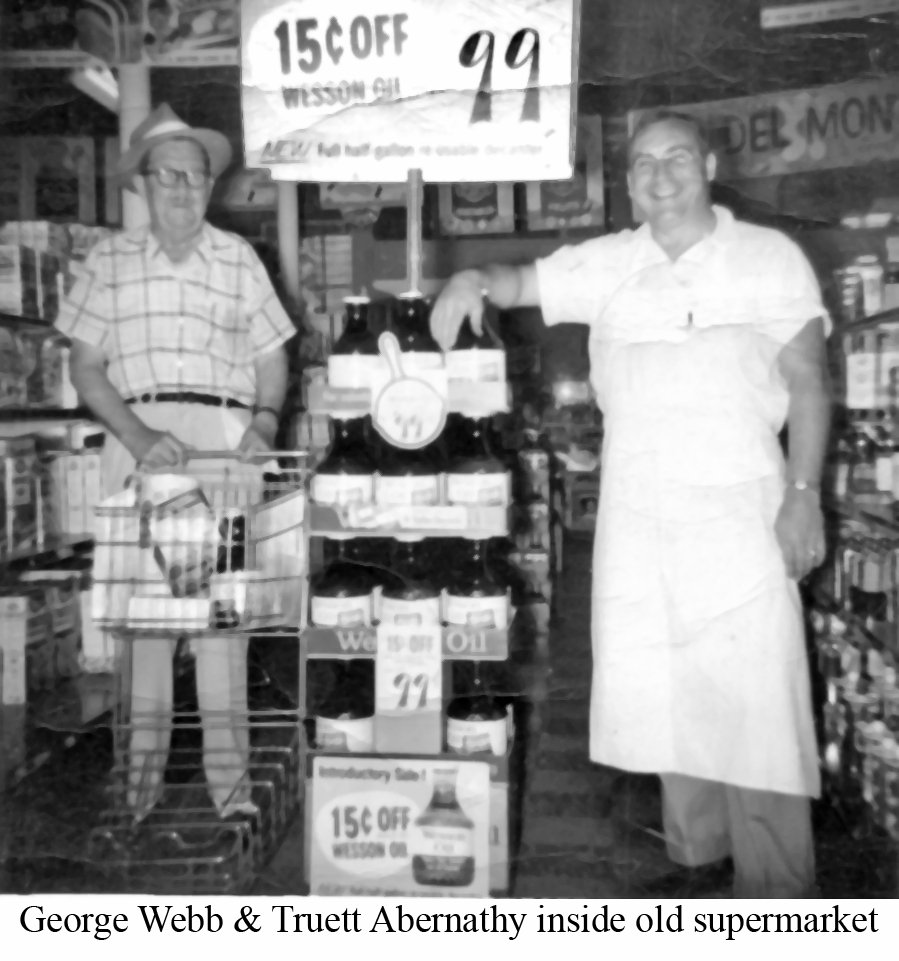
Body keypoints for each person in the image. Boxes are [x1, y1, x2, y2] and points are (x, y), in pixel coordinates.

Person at [430, 109, 832, 899]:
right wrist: (469, 279)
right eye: (643, 163)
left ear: (708, 166)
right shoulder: (610, 260)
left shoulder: (767, 257)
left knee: (758, 706)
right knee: (668, 696)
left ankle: (778, 897)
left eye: (676, 157)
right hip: (640, 516)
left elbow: (809, 383)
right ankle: (699, 869)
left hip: (742, 512)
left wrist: (803, 494)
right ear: (627, 182)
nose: (660, 175)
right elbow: (517, 281)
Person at [56, 103, 297, 822]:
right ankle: (137, 796)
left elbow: (272, 356)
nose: (184, 189)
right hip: (140, 443)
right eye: (169, 176)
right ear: (142, 183)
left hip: (222, 443)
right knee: (145, 628)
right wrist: (136, 435)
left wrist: (264, 419)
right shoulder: (108, 261)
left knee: (222, 624)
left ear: (210, 185)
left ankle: (232, 793)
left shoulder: (238, 257)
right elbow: (85, 367)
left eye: (196, 176)